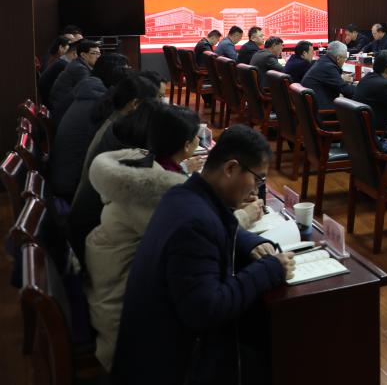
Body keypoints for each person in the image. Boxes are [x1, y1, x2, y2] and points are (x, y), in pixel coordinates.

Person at [111, 125, 292, 385]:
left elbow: (218, 222)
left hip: (150, 351)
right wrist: (269, 270)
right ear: (231, 169)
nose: (256, 190)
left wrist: (246, 242)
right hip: (171, 367)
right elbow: (207, 310)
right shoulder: (196, 225)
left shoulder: (183, 194)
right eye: (257, 179)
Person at [84, 105, 203, 371]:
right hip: (125, 327)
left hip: (111, 293)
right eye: (197, 137)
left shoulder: (138, 170)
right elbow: (197, 238)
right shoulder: (153, 193)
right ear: (186, 145)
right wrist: (242, 216)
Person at [68, 74, 160, 261]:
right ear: (135, 104)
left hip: (85, 222)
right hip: (91, 233)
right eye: (156, 101)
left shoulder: (114, 121)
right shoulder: (121, 135)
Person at [48, 54, 131, 201]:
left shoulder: (91, 90)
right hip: (72, 187)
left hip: (64, 176)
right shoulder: (99, 101)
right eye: (125, 70)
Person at [49, 39, 101, 116]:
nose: (98, 57)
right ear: (83, 55)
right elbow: (89, 90)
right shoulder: (79, 68)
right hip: (63, 111)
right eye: (94, 53)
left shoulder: (78, 64)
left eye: (99, 54)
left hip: (64, 107)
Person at [301, 40, 355, 111]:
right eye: (345, 58)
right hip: (322, 112)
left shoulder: (323, 61)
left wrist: (341, 78)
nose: (345, 60)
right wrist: (361, 87)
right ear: (338, 58)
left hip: (311, 107)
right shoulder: (329, 67)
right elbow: (346, 90)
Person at [39, 35, 77, 104]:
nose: (67, 53)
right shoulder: (56, 61)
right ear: (60, 47)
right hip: (49, 99)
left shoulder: (51, 56)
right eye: (66, 50)